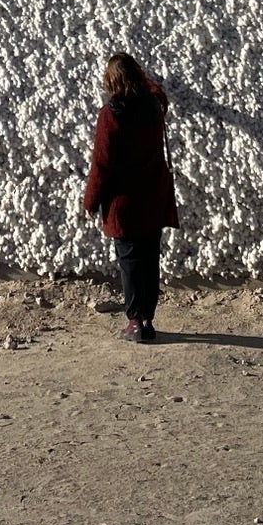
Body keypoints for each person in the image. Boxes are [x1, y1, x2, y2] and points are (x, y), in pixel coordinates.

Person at [80, 51, 179, 343]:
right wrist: (142, 78)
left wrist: (90, 202)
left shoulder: (110, 116)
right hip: (152, 197)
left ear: (110, 82)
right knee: (149, 259)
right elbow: (159, 93)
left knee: (130, 261)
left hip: (124, 203)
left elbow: (101, 163)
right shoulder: (153, 107)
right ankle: (147, 320)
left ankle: (135, 321)